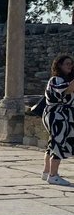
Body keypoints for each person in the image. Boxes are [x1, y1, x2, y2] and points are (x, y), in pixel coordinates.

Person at [42, 54, 74, 186]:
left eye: (71, 64)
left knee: (52, 144)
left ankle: (47, 172)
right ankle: (53, 175)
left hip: (59, 116)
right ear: (59, 65)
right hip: (57, 116)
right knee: (58, 144)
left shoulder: (64, 80)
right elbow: (68, 89)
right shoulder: (56, 80)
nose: (70, 66)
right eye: (67, 64)